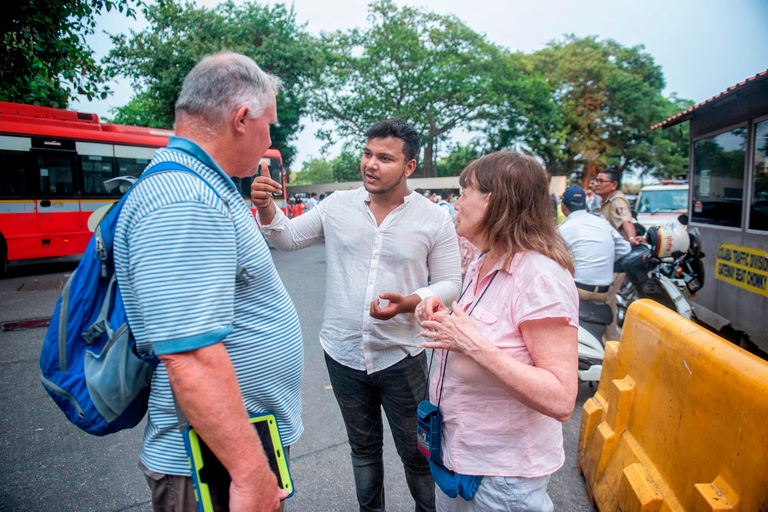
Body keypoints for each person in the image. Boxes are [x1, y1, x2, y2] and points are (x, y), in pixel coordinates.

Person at [114, 52, 304, 512]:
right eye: (269, 124)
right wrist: (251, 473)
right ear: (242, 118)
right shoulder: (186, 199)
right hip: (210, 467)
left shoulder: (202, 188)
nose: (269, 137)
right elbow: (191, 356)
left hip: (227, 451)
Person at [252, 119, 462, 512]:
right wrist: (266, 207)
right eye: (367, 154)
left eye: (385, 158)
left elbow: (452, 281)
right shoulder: (337, 206)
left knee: (416, 453)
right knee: (363, 450)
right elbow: (286, 237)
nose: (370, 164)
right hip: (342, 354)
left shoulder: (433, 219)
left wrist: (409, 302)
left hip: (402, 355)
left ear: (409, 167)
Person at [415, 151, 579, 512]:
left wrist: (473, 345)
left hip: (503, 478)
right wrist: (447, 319)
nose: (455, 204)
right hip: (461, 458)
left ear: (492, 200)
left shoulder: (540, 277)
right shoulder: (484, 261)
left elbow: (562, 398)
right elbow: (491, 330)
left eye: (463, 192)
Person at [558, 185, 631, 304]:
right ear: (585, 206)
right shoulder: (602, 222)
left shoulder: (563, 229)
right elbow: (624, 248)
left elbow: (555, 262)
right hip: (603, 292)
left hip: (577, 291)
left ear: (563, 207)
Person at [594, 169, 643, 340]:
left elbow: (626, 221)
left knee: (605, 298)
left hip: (618, 260)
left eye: (602, 181)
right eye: (596, 180)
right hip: (610, 260)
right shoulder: (606, 202)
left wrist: (631, 238)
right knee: (610, 301)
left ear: (613, 185)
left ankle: (609, 341)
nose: (597, 184)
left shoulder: (616, 201)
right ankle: (609, 341)